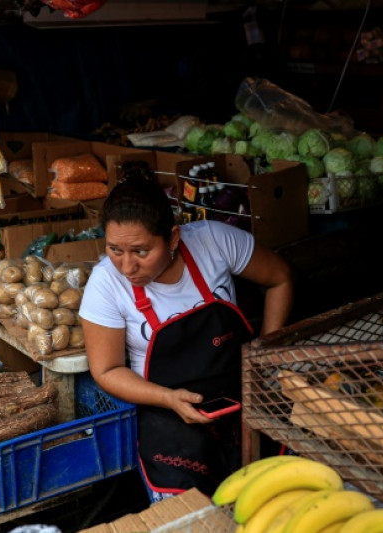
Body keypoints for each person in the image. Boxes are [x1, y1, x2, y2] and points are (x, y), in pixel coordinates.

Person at [79, 173, 293, 501]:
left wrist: (265, 355)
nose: (127, 266)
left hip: (243, 393)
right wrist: (168, 398)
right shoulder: (105, 284)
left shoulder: (214, 242)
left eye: (141, 251)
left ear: (173, 238)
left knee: (276, 496)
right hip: (166, 412)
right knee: (191, 512)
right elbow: (107, 370)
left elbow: (280, 278)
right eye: (115, 250)